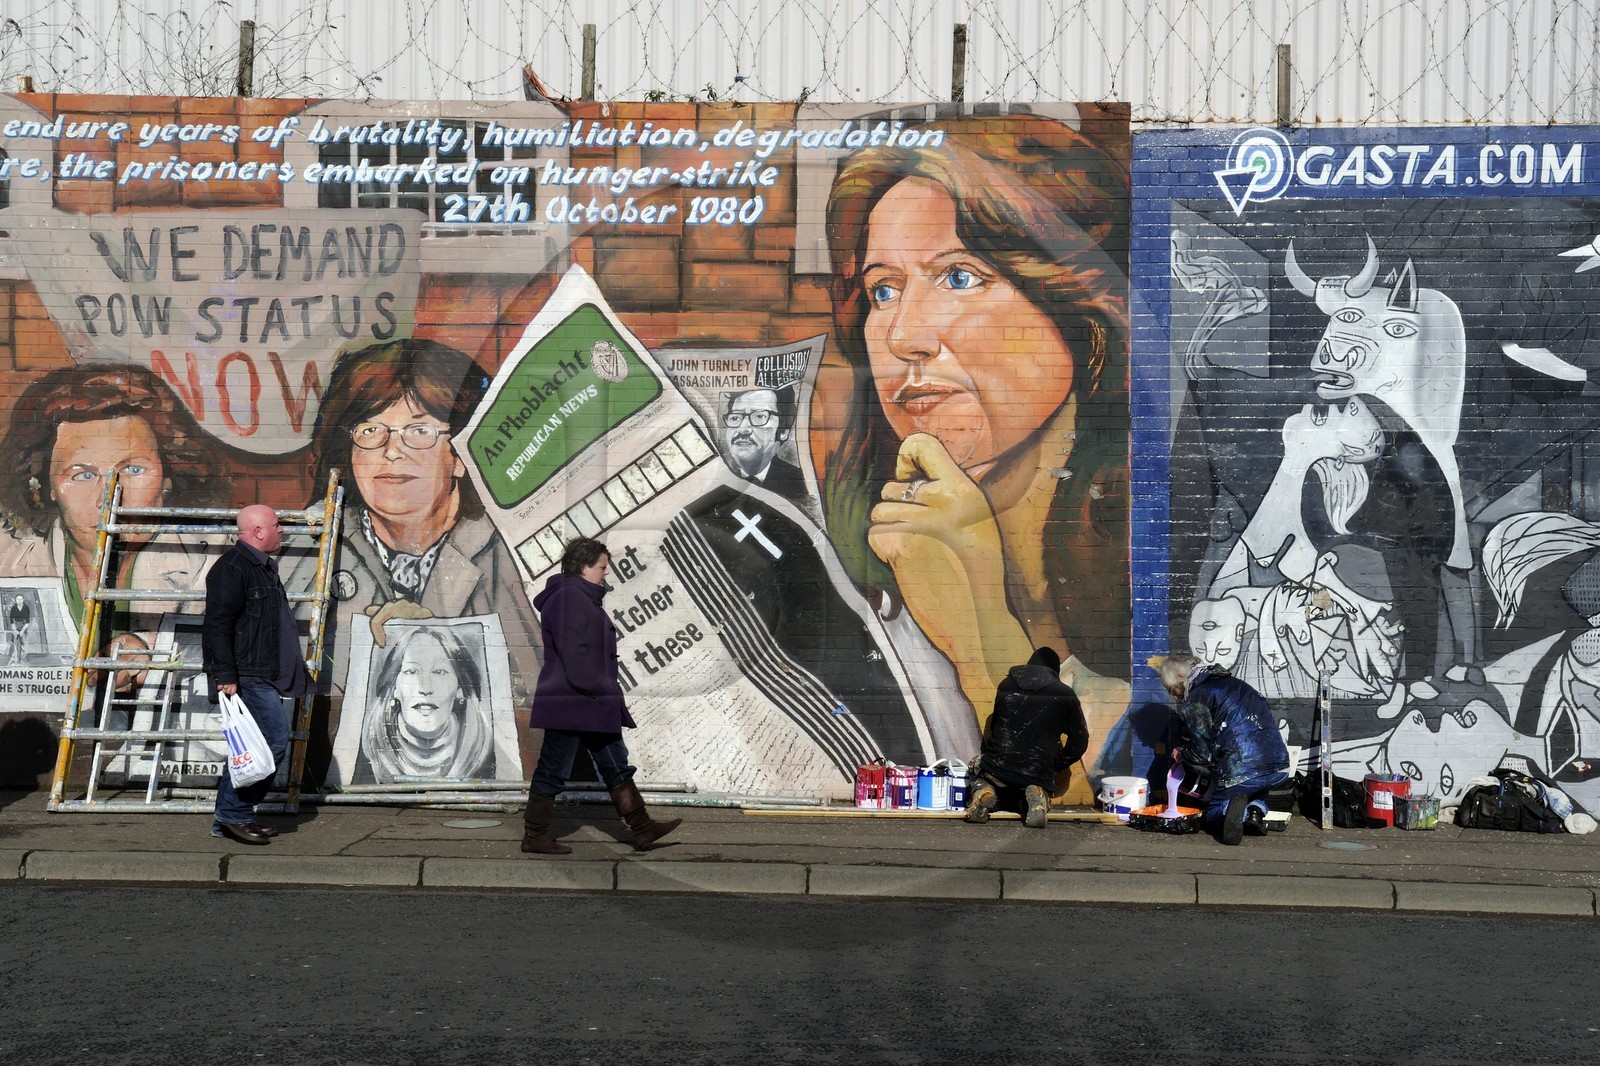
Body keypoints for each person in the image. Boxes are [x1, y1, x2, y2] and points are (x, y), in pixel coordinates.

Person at [824, 111, 1132, 787]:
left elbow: (1082, 785)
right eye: (883, 289)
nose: (905, 334)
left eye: (960, 277)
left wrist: (976, 630)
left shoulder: (1159, 556)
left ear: (1078, 310)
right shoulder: (866, 567)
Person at [299, 338, 542, 775]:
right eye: (371, 430)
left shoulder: (514, 554)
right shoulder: (303, 547)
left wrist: (435, 637)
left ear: (463, 454)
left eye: (420, 430)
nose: (393, 451)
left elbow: (537, 690)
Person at [0, 363, 228, 685]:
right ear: (44, 486)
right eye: (83, 475)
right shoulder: (7, 559)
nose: (108, 499)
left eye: (133, 470)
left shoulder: (212, 560)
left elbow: (250, 647)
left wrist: (151, 649)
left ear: (168, 477)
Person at [520, 536, 680, 855]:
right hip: (572, 701)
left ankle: (642, 828)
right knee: (554, 767)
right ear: (583, 566)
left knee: (615, 764)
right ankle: (535, 836)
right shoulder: (569, 598)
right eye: (602, 567)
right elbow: (574, 654)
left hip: (588, 703)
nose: (606, 573)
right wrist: (598, 686)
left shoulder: (581, 596)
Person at [201, 505, 311, 846]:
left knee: (249, 750)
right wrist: (225, 675)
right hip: (245, 675)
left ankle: (230, 818)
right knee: (272, 741)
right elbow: (217, 625)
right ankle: (234, 814)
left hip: (262, 672)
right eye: (277, 525)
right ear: (259, 531)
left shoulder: (262, 568)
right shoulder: (232, 569)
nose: (283, 531)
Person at [1153, 653, 1289, 845]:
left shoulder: (1197, 699)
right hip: (1278, 768)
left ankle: (1229, 812)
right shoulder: (1237, 685)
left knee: (1211, 817)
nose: (1174, 695)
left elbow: (1202, 753)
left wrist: (1181, 753)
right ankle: (1255, 810)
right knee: (1257, 786)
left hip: (1241, 770)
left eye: (1172, 689)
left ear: (1181, 678)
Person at [964, 646, 1088, 828]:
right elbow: (1079, 741)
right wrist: (1057, 764)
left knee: (980, 774)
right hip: (1038, 772)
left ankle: (984, 789)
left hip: (997, 768)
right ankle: (1038, 796)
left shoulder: (1006, 685)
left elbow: (996, 725)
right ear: (1055, 671)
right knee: (1029, 793)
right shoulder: (1064, 694)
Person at [356, 624, 494, 783]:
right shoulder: (361, 760)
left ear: (460, 690)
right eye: (412, 671)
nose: (425, 688)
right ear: (394, 688)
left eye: (439, 672)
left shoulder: (486, 761)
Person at [722, 387, 805, 502]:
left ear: (784, 431)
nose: (742, 429)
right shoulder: (720, 483)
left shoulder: (802, 484)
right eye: (735, 417)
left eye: (759, 416)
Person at [6, 594, 31, 665]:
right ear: (15, 600)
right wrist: (15, 630)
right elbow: (11, 621)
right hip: (15, 627)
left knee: (23, 644)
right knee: (15, 644)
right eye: (18, 599)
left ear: (23, 600)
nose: (19, 601)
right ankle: (15, 660)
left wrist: (22, 631)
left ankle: (23, 660)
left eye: (20, 599)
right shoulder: (13, 608)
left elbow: (28, 622)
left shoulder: (26, 608)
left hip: (24, 626)